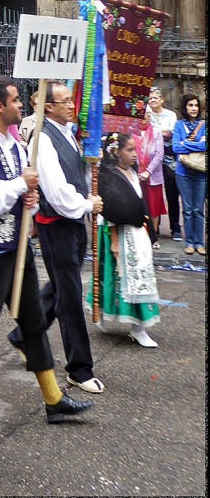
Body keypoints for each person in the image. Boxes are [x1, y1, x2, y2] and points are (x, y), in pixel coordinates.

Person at [0, 75, 95, 426]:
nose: (22, 105)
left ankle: (53, 399)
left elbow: (22, 198)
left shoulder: (18, 146)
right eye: (16, 100)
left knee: (34, 323)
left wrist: (30, 202)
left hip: (19, 249)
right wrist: (21, 185)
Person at [28, 81, 105, 395]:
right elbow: (57, 193)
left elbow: (75, 175)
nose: (72, 105)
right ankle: (79, 368)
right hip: (57, 225)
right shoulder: (43, 139)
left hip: (73, 223)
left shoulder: (70, 134)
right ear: (48, 107)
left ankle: (22, 336)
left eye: (71, 100)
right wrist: (86, 204)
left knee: (60, 287)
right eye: (64, 101)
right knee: (70, 295)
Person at [92, 132, 160, 347]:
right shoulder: (109, 176)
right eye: (129, 150)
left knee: (140, 277)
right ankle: (104, 314)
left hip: (137, 232)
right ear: (116, 152)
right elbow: (110, 210)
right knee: (113, 277)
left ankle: (138, 328)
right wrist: (114, 241)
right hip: (118, 233)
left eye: (134, 149)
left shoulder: (132, 172)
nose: (134, 154)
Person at [173, 94, 206, 256]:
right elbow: (175, 148)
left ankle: (199, 242)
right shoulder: (179, 125)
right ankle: (190, 242)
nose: (193, 108)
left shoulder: (204, 125)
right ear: (185, 107)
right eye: (190, 105)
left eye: (196, 105)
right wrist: (198, 144)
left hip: (200, 172)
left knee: (198, 209)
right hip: (183, 173)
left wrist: (185, 143)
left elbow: (205, 146)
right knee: (187, 209)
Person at [146, 88, 181, 240]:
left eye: (155, 98)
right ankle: (155, 228)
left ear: (162, 99)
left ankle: (175, 229)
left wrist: (155, 132)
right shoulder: (146, 114)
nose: (152, 100)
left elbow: (171, 133)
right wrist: (162, 132)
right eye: (150, 98)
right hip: (152, 158)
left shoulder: (171, 115)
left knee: (172, 194)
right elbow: (159, 133)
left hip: (168, 158)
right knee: (153, 194)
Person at [134, 107, 167, 248]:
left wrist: (147, 171)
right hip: (135, 175)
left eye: (145, 114)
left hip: (152, 176)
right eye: (140, 114)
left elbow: (159, 155)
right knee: (137, 206)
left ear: (149, 115)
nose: (143, 117)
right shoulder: (131, 131)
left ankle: (152, 238)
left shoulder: (156, 131)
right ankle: (139, 237)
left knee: (153, 208)